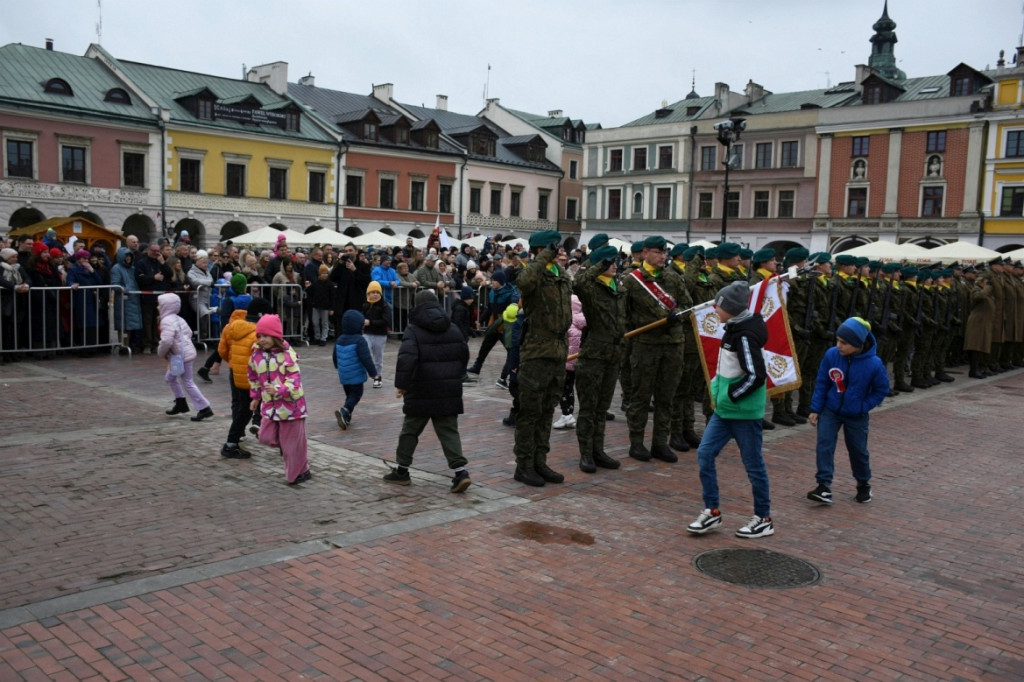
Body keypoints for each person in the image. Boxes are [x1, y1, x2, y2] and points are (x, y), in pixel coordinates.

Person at [687, 281, 774, 539]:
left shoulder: (745, 335)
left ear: (732, 309)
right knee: (704, 454)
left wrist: (733, 395)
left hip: (743, 413)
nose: (714, 308)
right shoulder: (734, 327)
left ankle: (763, 517)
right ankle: (712, 510)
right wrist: (720, 391)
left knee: (753, 464)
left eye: (719, 305)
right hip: (724, 412)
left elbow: (757, 375)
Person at [384, 290, 472, 493]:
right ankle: (460, 473)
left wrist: (402, 385)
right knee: (449, 431)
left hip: (421, 388)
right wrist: (455, 374)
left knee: (410, 431)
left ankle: (402, 471)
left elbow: (407, 359)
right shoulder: (452, 327)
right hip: (448, 388)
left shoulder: (413, 329)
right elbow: (463, 353)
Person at [622, 235, 691, 463]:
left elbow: (688, 305)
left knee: (666, 397)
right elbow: (624, 314)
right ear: (644, 253)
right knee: (641, 396)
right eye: (657, 252)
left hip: (673, 345)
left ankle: (660, 443)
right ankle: (637, 443)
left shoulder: (674, 278)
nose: (662, 256)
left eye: (664, 253)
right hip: (646, 345)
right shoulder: (632, 280)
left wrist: (678, 315)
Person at [807, 317, 889, 505]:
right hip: (831, 409)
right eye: (837, 340)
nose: (839, 346)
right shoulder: (831, 355)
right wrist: (816, 408)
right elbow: (822, 382)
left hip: (856, 415)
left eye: (844, 342)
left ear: (858, 344)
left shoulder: (874, 364)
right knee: (824, 444)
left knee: (858, 450)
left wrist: (864, 405)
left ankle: (863, 483)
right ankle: (823, 485)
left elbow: (882, 389)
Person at [512, 230, 572, 487]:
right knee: (530, 411)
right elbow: (524, 282)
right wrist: (544, 255)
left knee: (547, 410)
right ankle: (523, 465)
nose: (559, 252)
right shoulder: (532, 272)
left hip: (558, 350)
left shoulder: (562, 276)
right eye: (553, 248)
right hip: (536, 352)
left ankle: (539, 461)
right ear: (540, 250)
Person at [572, 245, 625, 472]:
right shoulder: (591, 286)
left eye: (614, 262)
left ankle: (598, 450)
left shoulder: (619, 287)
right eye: (608, 262)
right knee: (588, 407)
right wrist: (597, 267)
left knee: (602, 407)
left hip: (613, 355)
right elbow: (578, 283)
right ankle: (586, 453)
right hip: (593, 355)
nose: (613, 265)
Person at [247, 314, 311, 485]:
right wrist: (255, 397)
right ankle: (294, 452)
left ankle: (298, 474)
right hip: (270, 407)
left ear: (275, 336)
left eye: (266, 336)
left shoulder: (288, 355)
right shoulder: (256, 356)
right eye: (259, 336)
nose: (262, 339)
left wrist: (278, 389)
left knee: (291, 447)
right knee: (265, 437)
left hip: (292, 407)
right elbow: (253, 377)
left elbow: (295, 381)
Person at [217, 294, 266, 459]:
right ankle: (231, 444)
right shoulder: (258, 335)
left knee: (241, 408)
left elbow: (222, 351)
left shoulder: (233, 328)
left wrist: (233, 364)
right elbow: (260, 360)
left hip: (235, 373)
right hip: (251, 377)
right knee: (247, 410)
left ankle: (233, 441)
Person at [157, 292, 214, 421]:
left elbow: (166, 341)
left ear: (166, 306)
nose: (158, 307)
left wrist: (161, 352)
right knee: (171, 377)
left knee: (186, 382)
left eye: (160, 305)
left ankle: (204, 407)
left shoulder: (166, 321)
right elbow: (187, 332)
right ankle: (181, 402)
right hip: (185, 353)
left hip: (180, 356)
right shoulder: (178, 318)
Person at [332, 309, 378, 430]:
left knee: (349, 395)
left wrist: (338, 366)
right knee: (356, 394)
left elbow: (334, 355)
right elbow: (366, 358)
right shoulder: (359, 340)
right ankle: (345, 410)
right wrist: (373, 373)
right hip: (356, 375)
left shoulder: (340, 339)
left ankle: (346, 417)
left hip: (344, 375)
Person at [553, 294, 585, 430]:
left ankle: (566, 414)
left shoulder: (566, 321)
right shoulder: (582, 321)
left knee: (561, 388)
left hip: (566, 361)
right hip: (576, 361)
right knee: (569, 388)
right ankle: (569, 414)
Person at [110, 247, 142, 354]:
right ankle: (123, 345)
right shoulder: (116, 268)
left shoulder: (132, 268)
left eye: (129, 256)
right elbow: (115, 283)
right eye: (126, 256)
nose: (128, 258)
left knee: (130, 325)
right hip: (123, 299)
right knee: (123, 324)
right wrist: (124, 290)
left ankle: (127, 345)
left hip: (133, 299)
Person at [361, 281, 389, 388]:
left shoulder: (384, 306)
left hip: (380, 334)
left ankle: (378, 377)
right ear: (368, 294)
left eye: (377, 292)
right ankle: (364, 373)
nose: (375, 294)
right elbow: (361, 317)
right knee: (365, 351)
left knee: (378, 357)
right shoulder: (365, 305)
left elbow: (385, 321)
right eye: (373, 292)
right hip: (367, 333)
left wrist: (371, 322)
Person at [307, 263, 335, 346]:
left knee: (324, 323)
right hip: (316, 305)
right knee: (315, 322)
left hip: (326, 307)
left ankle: (323, 338)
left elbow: (332, 297)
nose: (324, 275)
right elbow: (310, 292)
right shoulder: (316, 283)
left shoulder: (330, 285)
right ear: (320, 274)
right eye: (323, 273)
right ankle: (317, 337)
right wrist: (308, 287)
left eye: (326, 273)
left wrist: (332, 308)